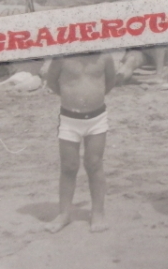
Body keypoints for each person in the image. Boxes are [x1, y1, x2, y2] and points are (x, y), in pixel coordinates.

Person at [45, 51, 118, 233]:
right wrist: (71, 97)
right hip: (70, 119)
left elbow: (110, 81)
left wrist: (93, 97)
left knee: (94, 163)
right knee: (68, 166)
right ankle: (64, 213)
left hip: (96, 119)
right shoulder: (62, 56)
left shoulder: (104, 57)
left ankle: (98, 212)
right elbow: (51, 82)